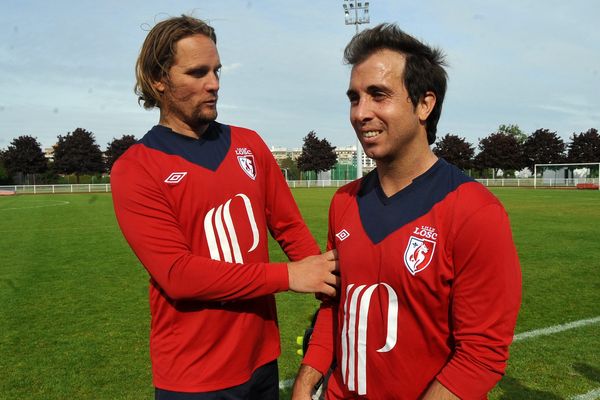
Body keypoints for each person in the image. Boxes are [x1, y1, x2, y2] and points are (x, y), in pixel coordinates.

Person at [111, 15, 339, 400]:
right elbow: (178, 275)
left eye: (216, 70)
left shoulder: (249, 144)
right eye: (197, 72)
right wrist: (289, 276)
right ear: (158, 80)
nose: (214, 83)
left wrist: (328, 288)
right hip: (193, 375)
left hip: (261, 361)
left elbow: (289, 227)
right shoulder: (136, 168)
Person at [293, 24, 522, 399]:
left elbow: (481, 355)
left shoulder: (476, 212)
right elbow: (336, 306)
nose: (360, 113)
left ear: (424, 104)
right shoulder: (344, 202)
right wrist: (307, 379)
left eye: (378, 95)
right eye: (354, 97)